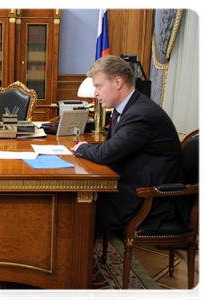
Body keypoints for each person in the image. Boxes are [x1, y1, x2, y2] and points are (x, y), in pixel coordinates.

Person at [71, 55, 188, 232]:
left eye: (99, 86)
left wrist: (82, 148)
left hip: (150, 200)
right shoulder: (129, 108)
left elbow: (106, 153)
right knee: (79, 199)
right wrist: (87, 149)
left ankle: (79, 257)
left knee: (77, 206)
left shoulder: (139, 114)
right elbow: (113, 148)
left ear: (117, 82)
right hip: (135, 185)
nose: (95, 93)